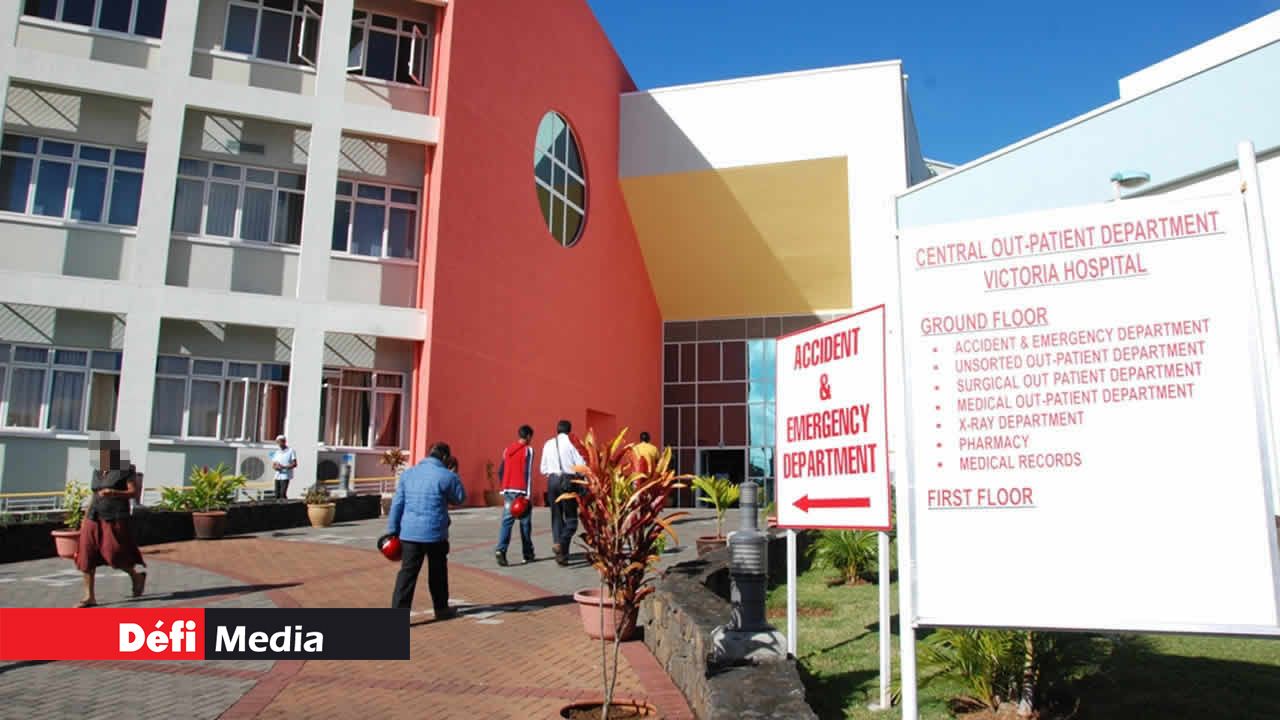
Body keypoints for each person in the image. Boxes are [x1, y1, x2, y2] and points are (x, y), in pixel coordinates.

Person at [388, 442, 466, 619]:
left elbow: (397, 504)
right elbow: (460, 498)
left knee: (407, 574)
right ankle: (441, 609)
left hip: (409, 533)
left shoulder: (408, 475)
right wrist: (455, 475)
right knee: (437, 572)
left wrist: (392, 529)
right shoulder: (447, 476)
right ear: (445, 457)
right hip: (435, 532)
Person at [76, 435, 146, 607]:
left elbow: (133, 492)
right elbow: (94, 494)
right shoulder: (98, 470)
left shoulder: (125, 468)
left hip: (115, 517)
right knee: (86, 555)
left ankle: (136, 577)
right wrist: (85, 519)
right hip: (94, 516)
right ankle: (89, 597)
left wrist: (113, 493)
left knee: (115, 555)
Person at [541, 419, 585, 566]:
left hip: (552, 481)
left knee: (556, 517)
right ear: (569, 431)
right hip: (568, 481)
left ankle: (562, 556)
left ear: (557, 430)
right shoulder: (572, 443)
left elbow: (543, 469)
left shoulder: (548, 444)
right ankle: (561, 543)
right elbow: (581, 465)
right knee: (572, 520)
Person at [494, 425, 536, 566]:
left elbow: (502, 470)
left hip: (508, 491)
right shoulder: (528, 451)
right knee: (525, 523)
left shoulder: (507, 450)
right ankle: (527, 553)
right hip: (521, 492)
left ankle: (501, 550)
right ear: (529, 436)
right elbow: (527, 473)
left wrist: (503, 488)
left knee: (507, 522)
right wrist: (528, 494)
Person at [271, 435, 297, 500]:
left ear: (284, 442)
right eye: (278, 442)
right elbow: (273, 464)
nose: (280, 444)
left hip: (285, 476)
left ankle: (285, 507)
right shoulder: (277, 452)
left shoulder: (291, 451)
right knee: (277, 494)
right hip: (277, 476)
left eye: (281, 442)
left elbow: (294, 464)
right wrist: (276, 467)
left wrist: (284, 467)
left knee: (282, 494)